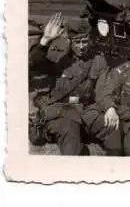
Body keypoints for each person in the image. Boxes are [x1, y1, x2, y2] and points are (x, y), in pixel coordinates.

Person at [28, 13, 122, 156]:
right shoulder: (58, 56)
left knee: (113, 127)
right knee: (70, 132)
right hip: (61, 111)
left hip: (85, 112)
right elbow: (34, 64)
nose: (82, 46)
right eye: (77, 42)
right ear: (70, 41)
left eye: (85, 41)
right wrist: (45, 40)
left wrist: (109, 107)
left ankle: (115, 171)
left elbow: (104, 89)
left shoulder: (98, 61)